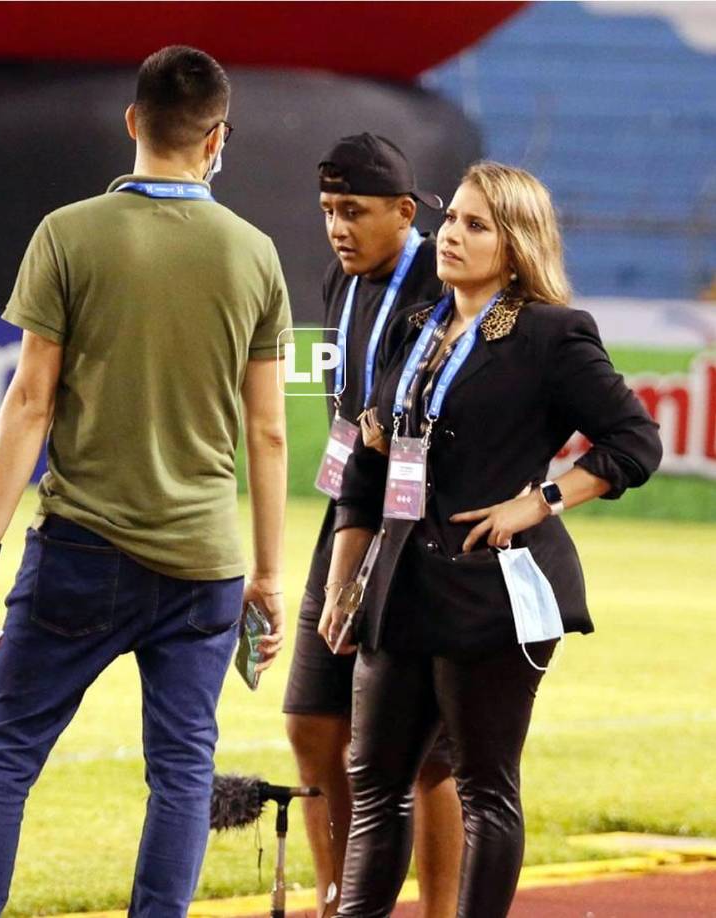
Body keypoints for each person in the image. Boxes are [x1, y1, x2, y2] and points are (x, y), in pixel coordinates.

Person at [0, 46, 291, 918]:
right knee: (182, 772)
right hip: (204, 565)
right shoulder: (255, 255)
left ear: (132, 121)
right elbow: (269, 431)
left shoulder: (68, 233)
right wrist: (271, 575)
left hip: (81, 553)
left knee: (6, 754)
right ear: (218, 138)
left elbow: (29, 401)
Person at [318, 161, 663, 917]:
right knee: (373, 779)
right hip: (400, 583)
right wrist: (346, 578)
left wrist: (539, 500)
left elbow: (634, 442)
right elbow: (375, 459)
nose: (452, 236)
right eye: (451, 221)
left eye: (476, 225)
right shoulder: (418, 327)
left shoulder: (550, 332)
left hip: (493, 593)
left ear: (515, 244)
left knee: (483, 790)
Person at [283, 133, 463, 918]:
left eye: (352, 211)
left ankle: (442, 909)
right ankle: (341, 902)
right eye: (327, 210)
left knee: (426, 755)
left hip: (425, 533)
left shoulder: (446, 278)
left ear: (404, 209)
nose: (336, 227)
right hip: (348, 513)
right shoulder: (340, 279)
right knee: (311, 722)